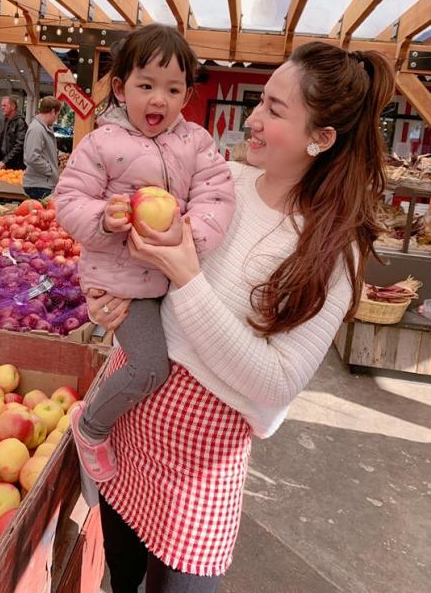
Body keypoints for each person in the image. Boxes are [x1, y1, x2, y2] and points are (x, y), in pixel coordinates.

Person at [85, 42, 395, 592]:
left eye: (275, 110)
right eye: (260, 102)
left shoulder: (329, 252)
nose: (251, 119)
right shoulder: (217, 180)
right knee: (120, 575)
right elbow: (136, 266)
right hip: (130, 416)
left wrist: (187, 276)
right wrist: (111, 302)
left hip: (203, 459)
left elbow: (275, 383)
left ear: (321, 139)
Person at [54, 24, 236, 482]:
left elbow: (217, 194)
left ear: (186, 95)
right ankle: (91, 425)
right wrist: (104, 218)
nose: (160, 99)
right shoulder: (101, 144)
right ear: (120, 88)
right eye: (146, 85)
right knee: (150, 367)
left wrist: (189, 239)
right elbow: (69, 199)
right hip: (123, 284)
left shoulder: (195, 142)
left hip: (171, 278)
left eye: (174, 89)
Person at [23, 96, 62, 200]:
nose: (56, 118)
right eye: (57, 115)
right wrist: (50, 170)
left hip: (42, 183)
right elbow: (32, 157)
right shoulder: (37, 129)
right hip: (39, 185)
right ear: (53, 111)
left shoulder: (42, 128)